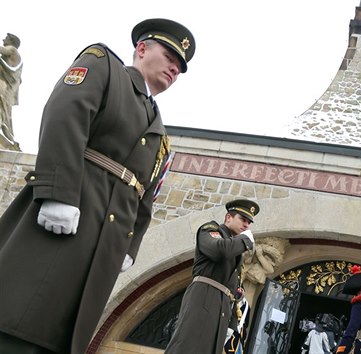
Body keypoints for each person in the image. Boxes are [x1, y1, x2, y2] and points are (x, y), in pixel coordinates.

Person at [0, 18, 195, 354]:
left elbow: (146, 196)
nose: (175, 69)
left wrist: (129, 249)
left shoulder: (160, 133)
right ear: (142, 49)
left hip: (104, 243)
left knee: (61, 332)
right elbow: (65, 115)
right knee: (23, 314)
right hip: (70, 210)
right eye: (170, 57)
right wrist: (58, 193)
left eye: (180, 67)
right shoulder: (104, 67)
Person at [165, 199, 259, 354]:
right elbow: (219, 250)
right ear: (228, 217)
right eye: (242, 219)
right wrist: (245, 240)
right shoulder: (210, 230)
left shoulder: (235, 250)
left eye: (249, 222)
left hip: (222, 305)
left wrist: (232, 324)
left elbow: (234, 290)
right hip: (204, 296)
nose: (246, 225)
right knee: (188, 346)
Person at [0, 32, 22, 144]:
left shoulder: (12, 49)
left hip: (2, 84)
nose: (3, 40)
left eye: (6, 38)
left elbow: (2, 50)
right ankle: (9, 137)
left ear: (12, 42)